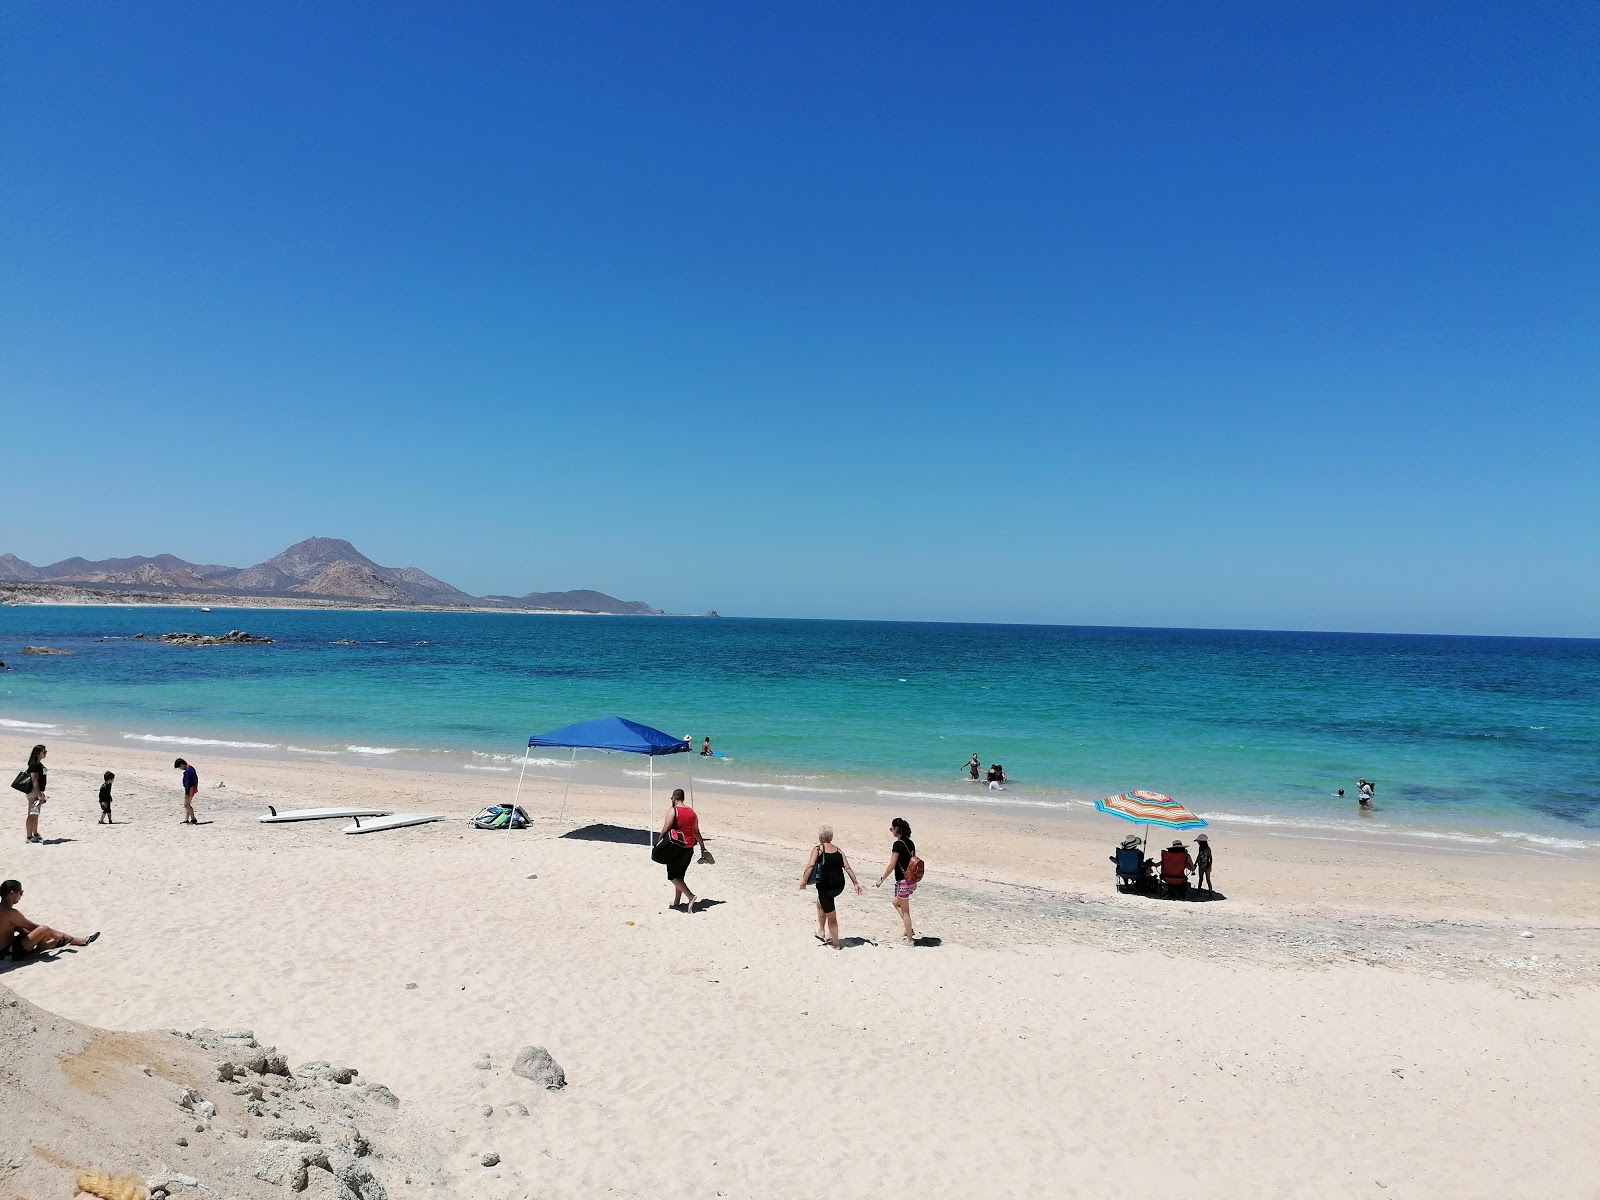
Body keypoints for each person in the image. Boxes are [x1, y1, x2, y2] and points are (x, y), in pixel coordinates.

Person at [799, 825, 864, 949]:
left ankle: (835, 944)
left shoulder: (818, 849)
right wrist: (855, 883)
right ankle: (821, 931)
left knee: (831, 915)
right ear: (831, 837)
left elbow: (811, 865)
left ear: (820, 837)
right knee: (820, 903)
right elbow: (848, 868)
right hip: (839, 885)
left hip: (826, 887)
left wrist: (804, 881)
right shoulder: (839, 850)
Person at [1, 879, 99, 957]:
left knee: (29, 930)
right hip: (8, 953)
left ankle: (50, 944)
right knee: (44, 929)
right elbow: (33, 927)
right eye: (20, 892)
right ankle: (76, 941)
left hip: (8, 947)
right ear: (12, 893)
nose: (21, 896)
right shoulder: (10, 913)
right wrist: (61, 935)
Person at [657, 788, 711, 912]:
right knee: (680, 875)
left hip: (676, 848)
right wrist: (703, 847)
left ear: (673, 798)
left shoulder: (673, 810)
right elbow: (696, 832)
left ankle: (690, 896)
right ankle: (677, 902)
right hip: (689, 849)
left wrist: (658, 843)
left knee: (672, 876)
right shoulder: (692, 813)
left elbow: (666, 829)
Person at [875, 817, 918, 944]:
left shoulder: (897, 844)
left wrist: (881, 879)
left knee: (905, 911)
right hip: (911, 880)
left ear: (896, 829)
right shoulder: (910, 843)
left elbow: (892, 865)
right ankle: (909, 928)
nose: (891, 831)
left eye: (891, 828)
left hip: (903, 881)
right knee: (896, 903)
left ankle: (910, 940)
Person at [23, 743, 46, 844]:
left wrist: (40, 792)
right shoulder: (34, 765)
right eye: (44, 752)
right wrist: (39, 794)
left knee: (35, 813)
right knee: (32, 814)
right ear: (38, 753)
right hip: (33, 792)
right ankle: (29, 836)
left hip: (37, 791)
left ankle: (35, 833)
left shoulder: (38, 764)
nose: (45, 753)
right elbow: (34, 781)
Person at [174, 758, 199, 824]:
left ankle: (193, 819)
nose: (180, 768)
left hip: (190, 789)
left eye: (180, 767)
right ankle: (186, 819)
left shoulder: (187, 771)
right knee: (188, 804)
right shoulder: (191, 768)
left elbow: (188, 783)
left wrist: (187, 792)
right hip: (193, 788)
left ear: (182, 765)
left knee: (186, 805)